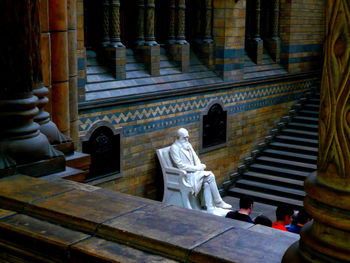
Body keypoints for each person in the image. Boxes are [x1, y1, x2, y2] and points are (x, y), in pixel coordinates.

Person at [170, 128, 232, 215]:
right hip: (186, 175)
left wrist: (200, 166)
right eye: (184, 138)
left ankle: (210, 208)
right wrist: (196, 168)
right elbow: (180, 165)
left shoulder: (188, 145)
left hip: (195, 173)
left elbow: (196, 158)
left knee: (207, 181)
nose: (187, 139)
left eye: (187, 137)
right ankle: (218, 202)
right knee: (210, 176)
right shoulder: (174, 148)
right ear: (178, 137)